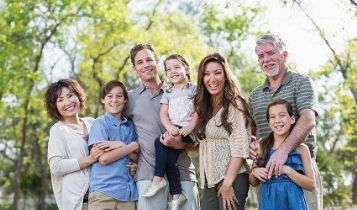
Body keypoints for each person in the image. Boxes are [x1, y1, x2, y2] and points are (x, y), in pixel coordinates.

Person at [249, 34, 323, 210]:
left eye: (271, 53)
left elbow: (307, 119)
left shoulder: (301, 82)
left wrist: (283, 151)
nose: (266, 59)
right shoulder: (255, 95)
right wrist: (251, 145)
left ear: (285, 55)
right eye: (261, 56)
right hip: (267, 172)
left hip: (300, 167)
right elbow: (252, 130)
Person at [125, 44, 199, 210]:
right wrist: (131, 157)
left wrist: (182, 145)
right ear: (134, 68)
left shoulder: (181, 90)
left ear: (157, 62)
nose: (146, 65)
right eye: (140, 62)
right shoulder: (130, 99)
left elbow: (201, 141)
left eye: (149, 59)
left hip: (183, 172)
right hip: (149, 175)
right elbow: (119, 130)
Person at [193, 53, 253, 210]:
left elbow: (240, 148)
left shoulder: (235, 105)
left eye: (217, 73)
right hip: (209, 180)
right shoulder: (202, 107)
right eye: (206, 74)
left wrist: (227, 184)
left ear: (226, 75)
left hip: (232, 179)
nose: (212, 79)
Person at [45, 79, 103, 210]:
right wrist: (89, 159)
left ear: (78, 96)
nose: (67, 102)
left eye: (70, 95)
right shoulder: (58, 130)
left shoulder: (93, 123)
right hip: (79, 202)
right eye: (60, 100)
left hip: (103, 197)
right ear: (55, 106)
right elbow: (56, 167)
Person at [249, 99, 316, 210]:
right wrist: (255, 172)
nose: (277, 120)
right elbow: (253, 182)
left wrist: (287, 170)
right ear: (269, 123)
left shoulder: (302, 149)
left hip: (295, 204)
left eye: (282, 115)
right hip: (269, 203)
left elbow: (311, 185)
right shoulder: (261, 147)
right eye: (273, 117)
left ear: (292, 119)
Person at [87, 80, 139, 210]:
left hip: (128, 194)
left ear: (125, 100)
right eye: (110, 96)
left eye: (119, 96)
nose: (114, 100)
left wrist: (122, 146)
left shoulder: (130, 126)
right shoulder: (100, 124)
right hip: (104, 193)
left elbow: (136, 157)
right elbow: (104, 158)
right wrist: (129, 146)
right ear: (103, 100)